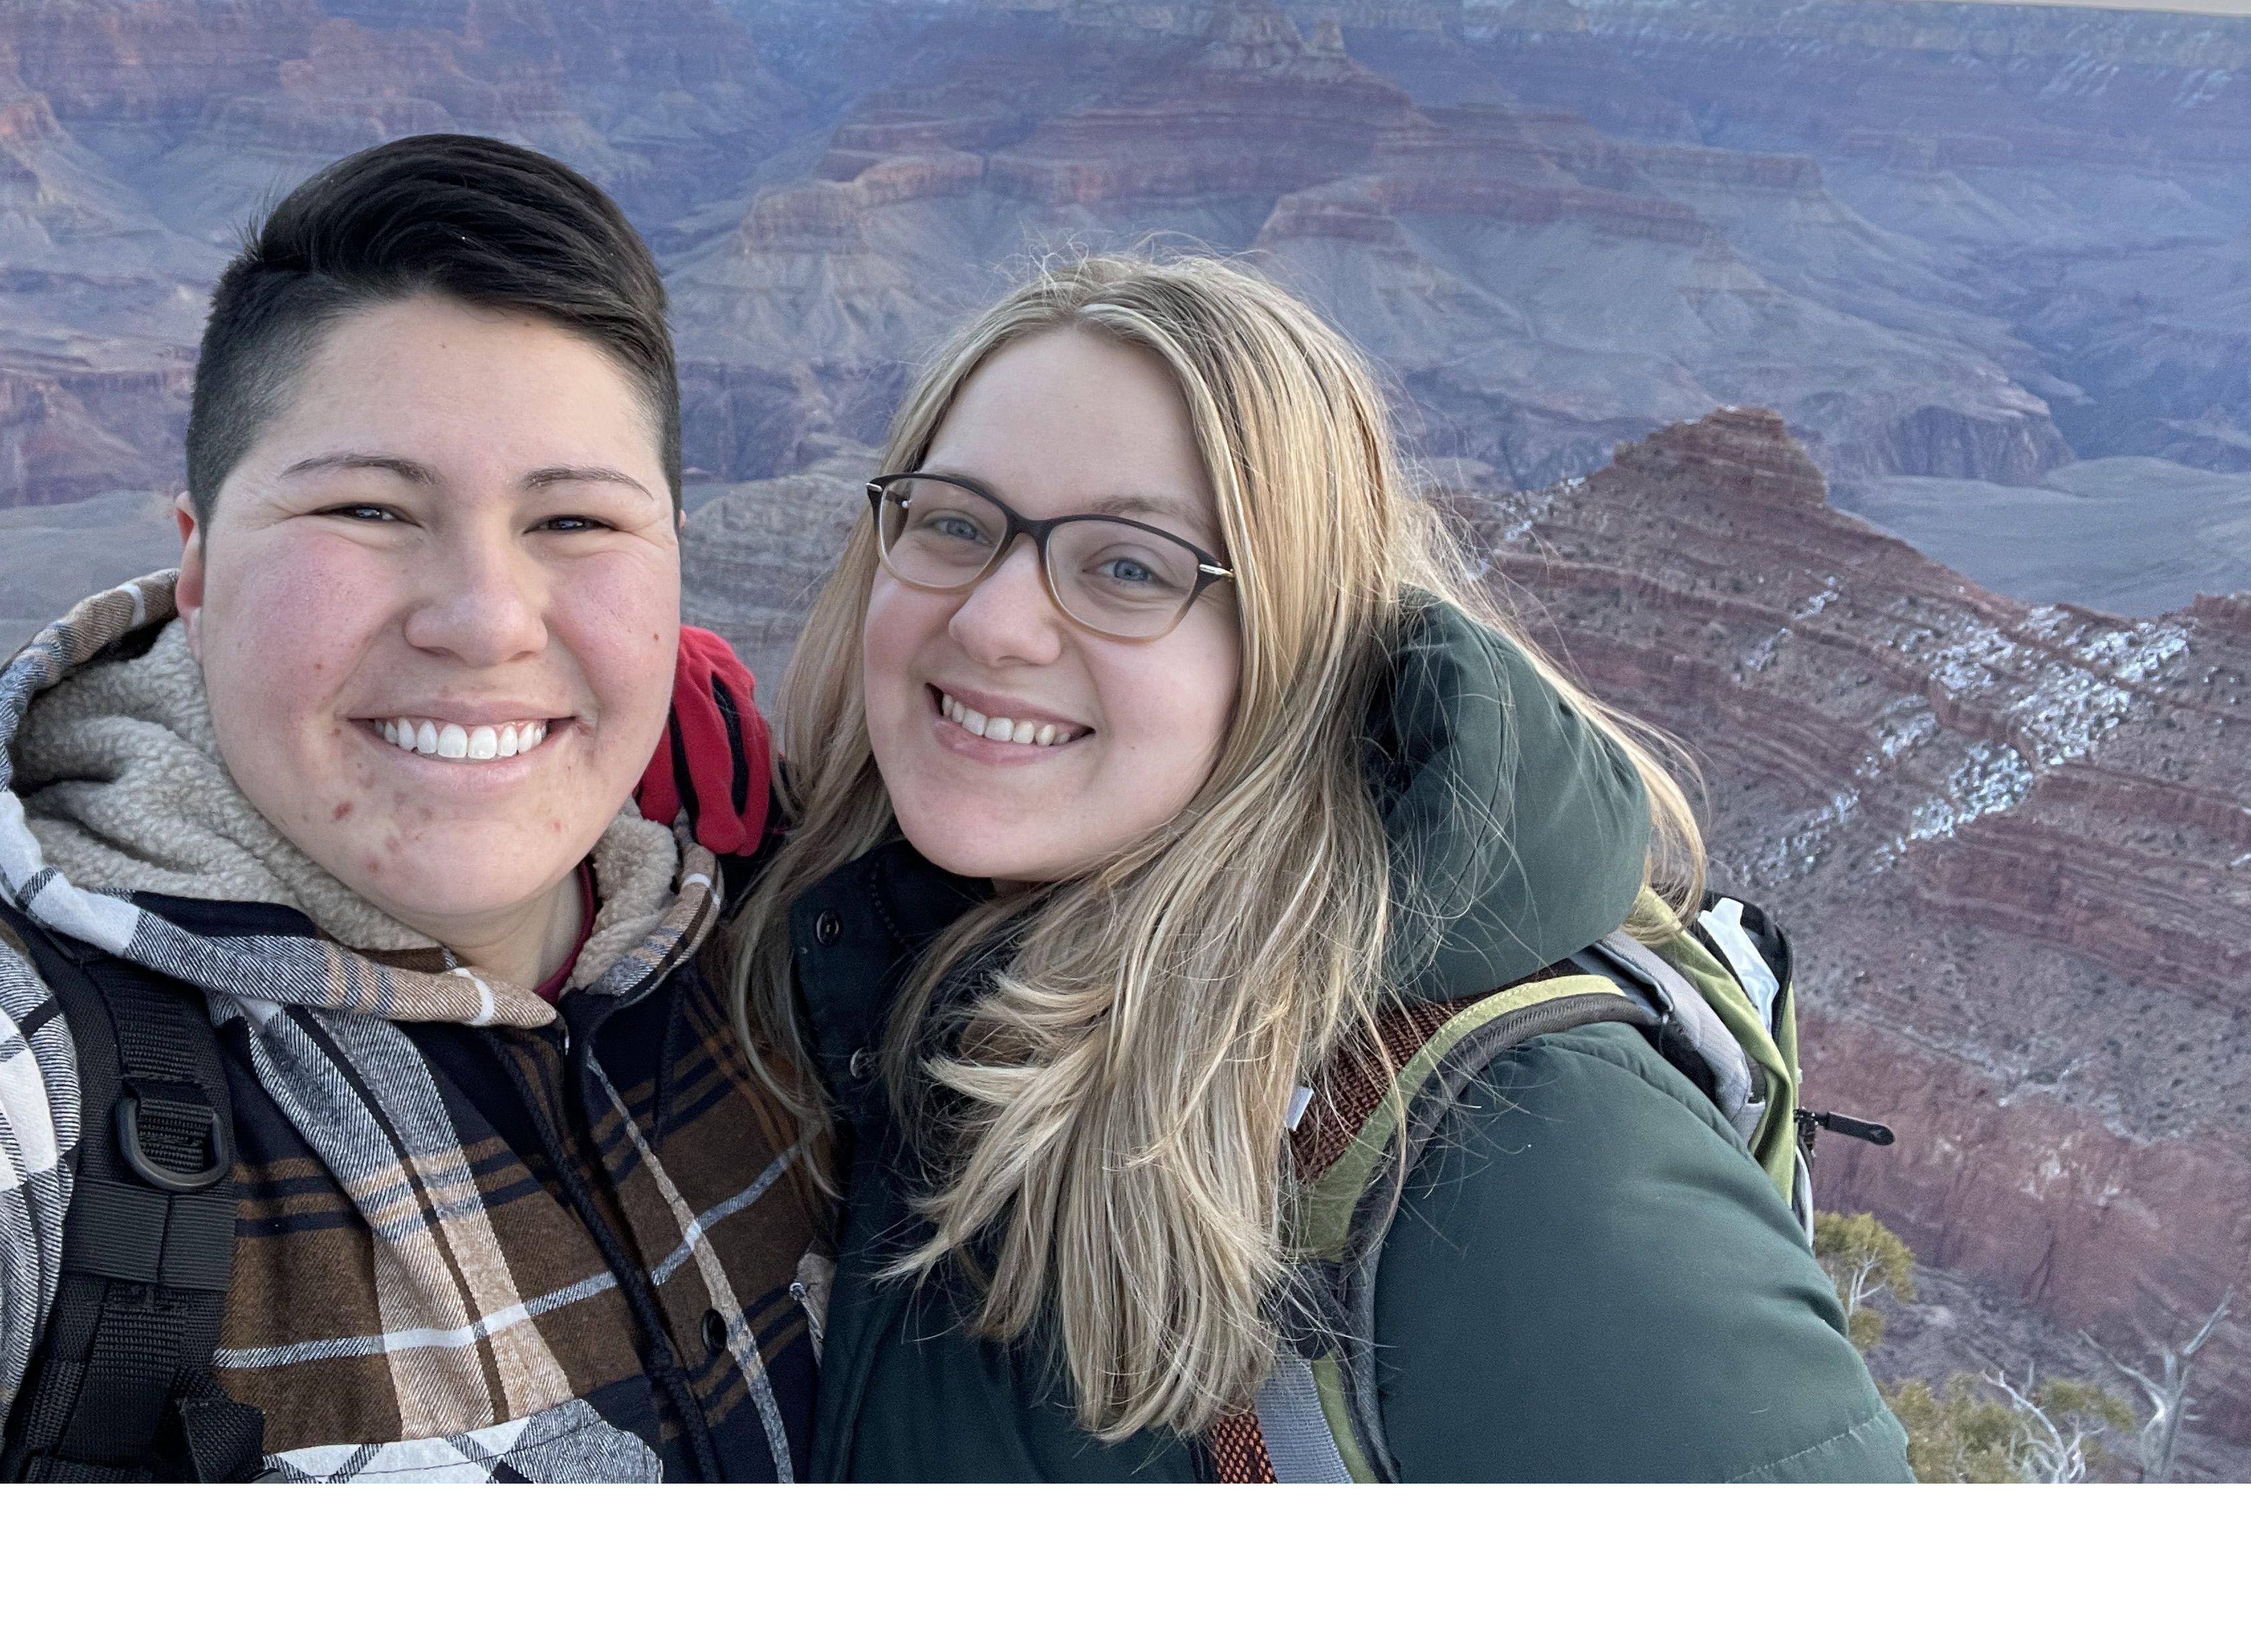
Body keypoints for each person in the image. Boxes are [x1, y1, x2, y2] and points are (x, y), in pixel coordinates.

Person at [0, 135, 821, 1482]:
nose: (483, 619)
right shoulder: (4, 1080)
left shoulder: (794, 977)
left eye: (577, 524)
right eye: (367, 507)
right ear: (199, 566)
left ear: (677, 570)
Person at [729, 250, 1912, 1482]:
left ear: (1290, 645)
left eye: (1129, 566)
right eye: (955, 525)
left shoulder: (1526, 1162)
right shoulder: (877, 965)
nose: (990, 622)